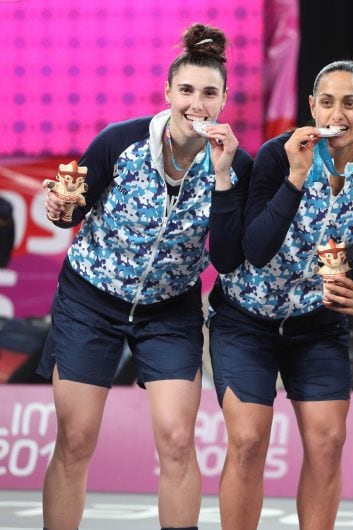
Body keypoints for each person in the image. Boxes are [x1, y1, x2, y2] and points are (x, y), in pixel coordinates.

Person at [35, 23, 252, 530]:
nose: (197, 104)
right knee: (75, 439)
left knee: (178, 440)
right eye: (187, 91)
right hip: (90, 301)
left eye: (209, 93)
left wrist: (222, 178)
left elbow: (225, 255)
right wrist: (60, 209)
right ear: (168, 93)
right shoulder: (120, 142)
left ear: (224, 101)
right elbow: (72, 209)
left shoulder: (234, 163)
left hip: (170, 309)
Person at [207, 60, 353, 530]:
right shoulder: (276, 155)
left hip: (317, 326)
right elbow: (255, 248)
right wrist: (295, 176)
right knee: (248, 441)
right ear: (311, 106)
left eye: (351, 103)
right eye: (326, 101)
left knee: (329, 442)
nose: (337, 113)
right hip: (246, 319)